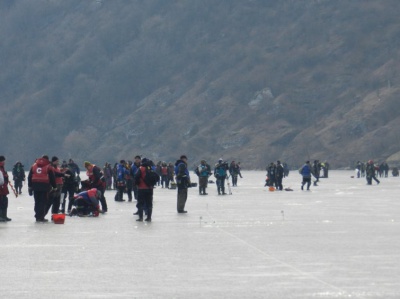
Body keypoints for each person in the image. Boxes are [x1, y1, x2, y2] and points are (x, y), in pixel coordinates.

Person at [28, 155, 56, 222]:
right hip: (44, 186)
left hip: (35, 186)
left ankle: (37, 216)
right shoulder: (48, 166)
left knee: (37, 201)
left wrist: (30, 186)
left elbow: (29, 177)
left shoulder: (34, 165)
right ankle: (41, 217)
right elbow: (52, 177)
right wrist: (54, 187)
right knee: (43, 202)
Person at [0, 156, 12, 222]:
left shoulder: (2, 168)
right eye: (3, 161)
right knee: (2, 202)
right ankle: (1, 216)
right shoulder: (1, 169)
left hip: (4, 188)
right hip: (1, 188)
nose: (4, 162)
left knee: (4, 202)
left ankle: (4, 216)